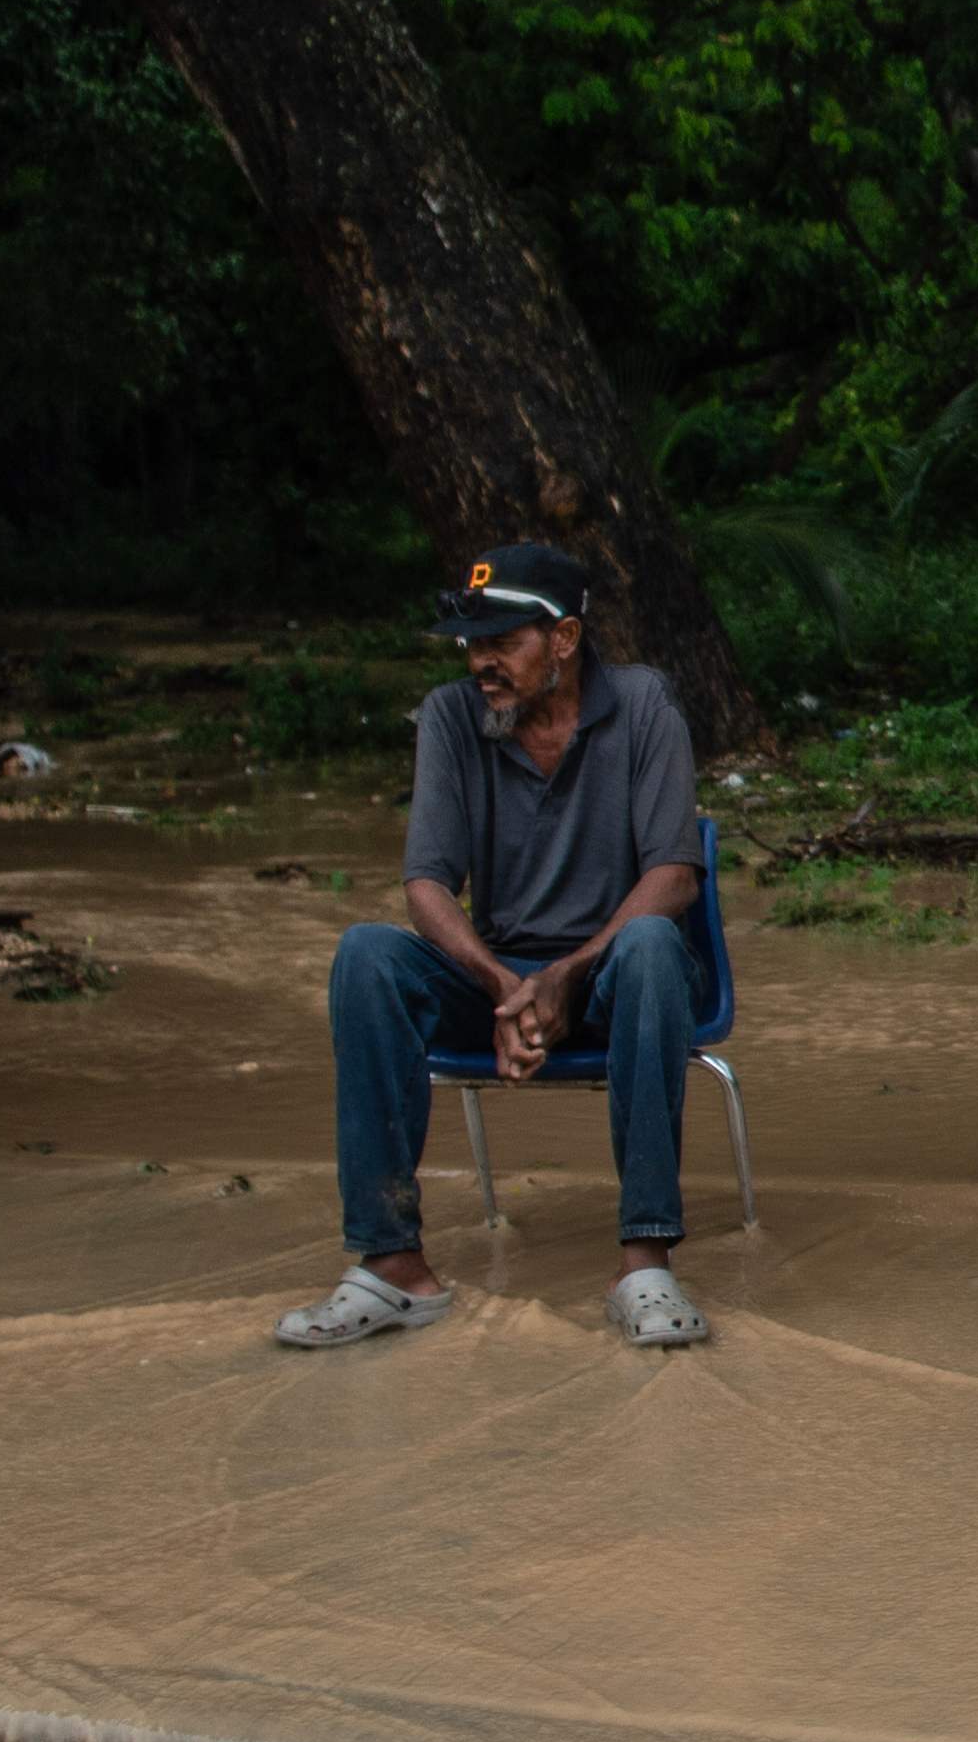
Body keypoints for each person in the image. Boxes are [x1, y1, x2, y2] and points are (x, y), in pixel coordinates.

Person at [276, 540, 717, 1351]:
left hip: (615, 973)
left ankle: (644, 1263)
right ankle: (392, 1264)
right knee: (366, 954)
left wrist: (567, 974)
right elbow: (426, 883)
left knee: (655, 943)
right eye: (472, 642)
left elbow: (675, 874)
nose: (481, 661)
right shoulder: (452, 716)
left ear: (564, 638)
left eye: (502, 642)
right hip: (500, 980)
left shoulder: (643, 704)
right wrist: (500, 985)